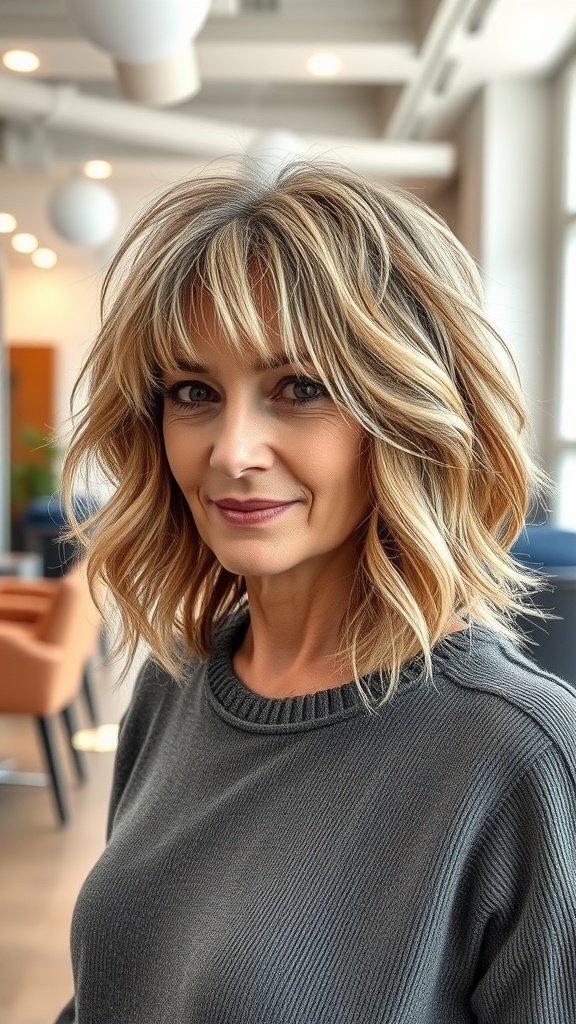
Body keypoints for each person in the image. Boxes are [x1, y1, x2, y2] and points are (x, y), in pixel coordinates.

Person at [56, 161, 575, 1023]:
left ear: (406, 411)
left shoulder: (519, 757)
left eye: (299, 389)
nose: (231, 451)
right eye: (194, 392)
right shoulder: (177, 683)